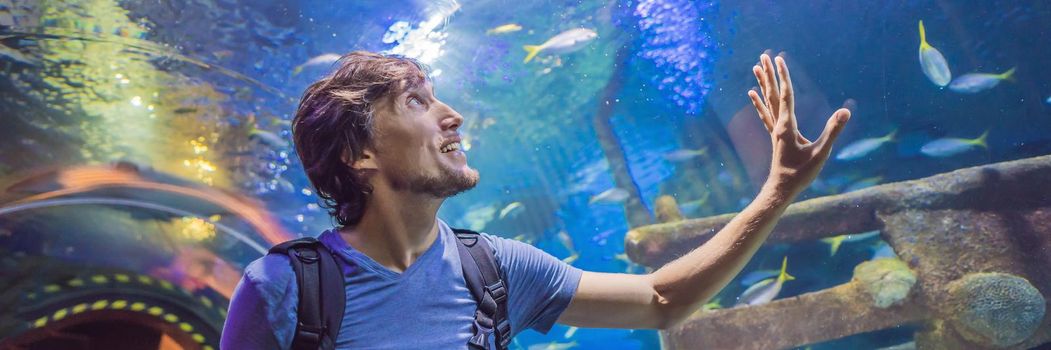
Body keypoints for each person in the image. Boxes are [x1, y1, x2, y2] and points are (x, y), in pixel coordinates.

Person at [219, 51, 851, 349]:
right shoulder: (284, 290)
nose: (453, 116)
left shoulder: (495, 271)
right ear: (360, 154)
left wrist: (777, 192)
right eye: (416, 102)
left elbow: (661, 300)